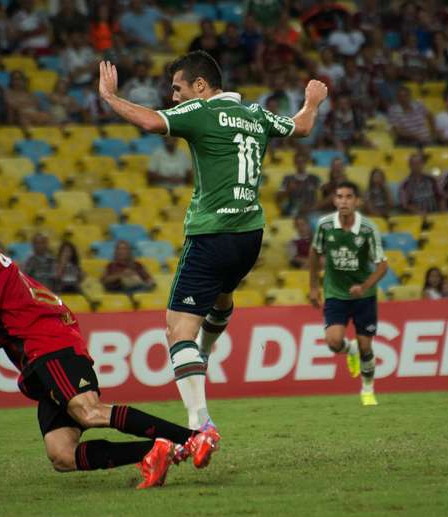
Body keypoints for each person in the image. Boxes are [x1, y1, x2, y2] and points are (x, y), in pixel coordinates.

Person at [0, 195, 219, 488]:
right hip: (40, 357)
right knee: (62, 455)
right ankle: (159, 450)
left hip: (52, 348)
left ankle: (192, 439)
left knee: (89, 412)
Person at [97, 50, 328, 432]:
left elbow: (153, 122)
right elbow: (301, 127)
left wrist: (110, 97)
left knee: (177, 331)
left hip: (212, 234)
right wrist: (312, 101)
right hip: (250, 236)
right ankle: (203, 354)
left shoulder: (201, 111)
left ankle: (200, 423)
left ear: (200, 86)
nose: (174, 97)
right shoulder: (256, 114)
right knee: (222, 294)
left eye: (178, 88)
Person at [309, 181, 387, 406]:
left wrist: (363, 286)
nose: (344, 201)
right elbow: (315, 253)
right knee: (333, 342)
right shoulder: (324, 226)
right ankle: (349, 348)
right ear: (334, 201)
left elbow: (382, 266)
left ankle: (368, 389)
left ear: (357, 201)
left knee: (366, 346)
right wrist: (314, 287)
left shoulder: (368, 229)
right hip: (335, 292)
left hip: (364, 296)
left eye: (349, 197)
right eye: (339, 196)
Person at [277, 150, 320, 216]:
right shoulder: (288, 179)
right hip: (293, 210)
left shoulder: (314, 178)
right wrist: (288, 190)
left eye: (303, 162)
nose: (300, 164)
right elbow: (278, 197)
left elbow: (320, 195)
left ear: (306, 163)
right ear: (295, 163)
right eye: (298, 162)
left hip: (310, 210)